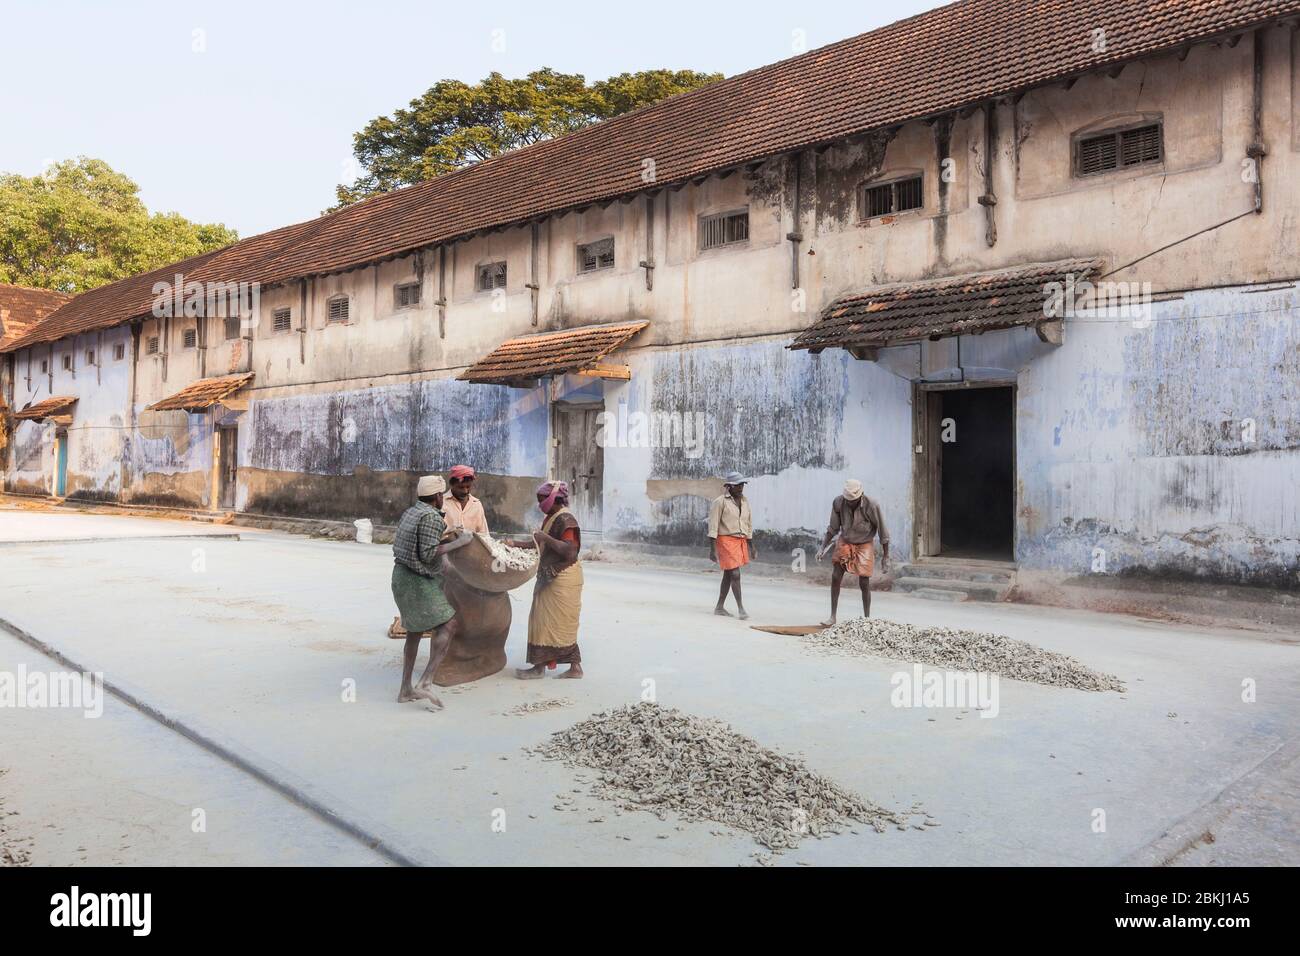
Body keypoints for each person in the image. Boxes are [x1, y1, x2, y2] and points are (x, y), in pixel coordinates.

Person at [390, 475, 472, 707]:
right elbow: (428, 554)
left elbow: (417, 545)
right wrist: (460, 542)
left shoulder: (412, 512)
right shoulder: (431, 518)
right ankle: (426, 681)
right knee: (449, 624)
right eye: (441, 495)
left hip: (400, 576)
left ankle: (405, 689)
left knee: (414, 631)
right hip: (416, 581)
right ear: (437, 497)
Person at [514, 480, 585, 679]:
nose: (540, 505)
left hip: (562, 576)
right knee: (547, 622)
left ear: (554, 499)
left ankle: (540, 669)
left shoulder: (566, 520)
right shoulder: (552, 517)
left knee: (554, 624)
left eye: (542, 500)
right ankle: (573, 668)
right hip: (552, 575)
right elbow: (538, 543)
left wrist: (545, 539)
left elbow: (569, 551)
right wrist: (513, 544)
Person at [819, 478, 889, 625]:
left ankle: (866, 619)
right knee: (836, 575)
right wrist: (822, 547)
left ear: (860, 496)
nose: (850, 502)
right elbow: (832, 528)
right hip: (846, 540)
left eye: (853, 500)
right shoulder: (838, 503)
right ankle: (832, 616)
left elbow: (883, 531)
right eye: (848, 499)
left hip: (864, 543)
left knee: (864, 581)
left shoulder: (872, 505)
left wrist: (885, 557)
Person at [707, 471, 756, 619]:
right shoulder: (720, 502)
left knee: (728, 575)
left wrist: (751, 546)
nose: (740, 488)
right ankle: (741, 609)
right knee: (735, 574)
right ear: (729, 486)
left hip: (740, 541)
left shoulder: (745, 502)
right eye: (737, 485)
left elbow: (748, 525)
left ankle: (719, 607)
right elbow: (713, 526)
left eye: (742, 484)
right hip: (725, 541)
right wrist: (712, 549)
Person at [442, 464, 489, 534]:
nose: (465, 491)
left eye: (468, 487)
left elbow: (484, 534)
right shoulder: (442, 502)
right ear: (451, 484)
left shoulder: (476, 505)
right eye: (461, 487)